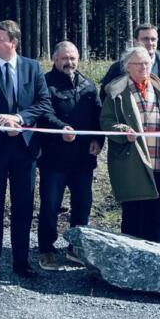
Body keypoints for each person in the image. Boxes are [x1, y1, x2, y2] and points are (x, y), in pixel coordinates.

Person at [0, 20, 51, 280]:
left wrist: (20, 119)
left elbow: (43, 102)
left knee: (23, 207)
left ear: (13, 42)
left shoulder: (32, 67)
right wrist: (2, 120)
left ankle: (21, 262)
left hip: (25, 150)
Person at [100, 46, 160, 243]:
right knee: (132, 221)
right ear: (127, 66)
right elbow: (105, 122)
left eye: (147, 63)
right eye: (138, 64)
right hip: (132, 166)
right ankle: (130, 266)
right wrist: (121, 131)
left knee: (156, 221)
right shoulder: (115, 92)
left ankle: (155, 263)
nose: (144, 67)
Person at [33, 41, 102, 270]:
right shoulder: (44, 83)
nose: (68, 62)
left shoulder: (89, 86)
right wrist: (61, 128)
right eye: (64, 58)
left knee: (83, 204)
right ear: (54, 59)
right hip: (54, 159)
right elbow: (42, 114)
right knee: (50, 205)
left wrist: (97, 140)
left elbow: (98, 120)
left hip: (83, 160)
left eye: (72, 58)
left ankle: (76, 248)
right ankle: (46, 250)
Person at [100, 23, 160, 122]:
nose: (150, 43)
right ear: (135, 41)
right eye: (145, 39)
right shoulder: (118, 68)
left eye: (153, 39)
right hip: (129, 132)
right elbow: (105, 97)